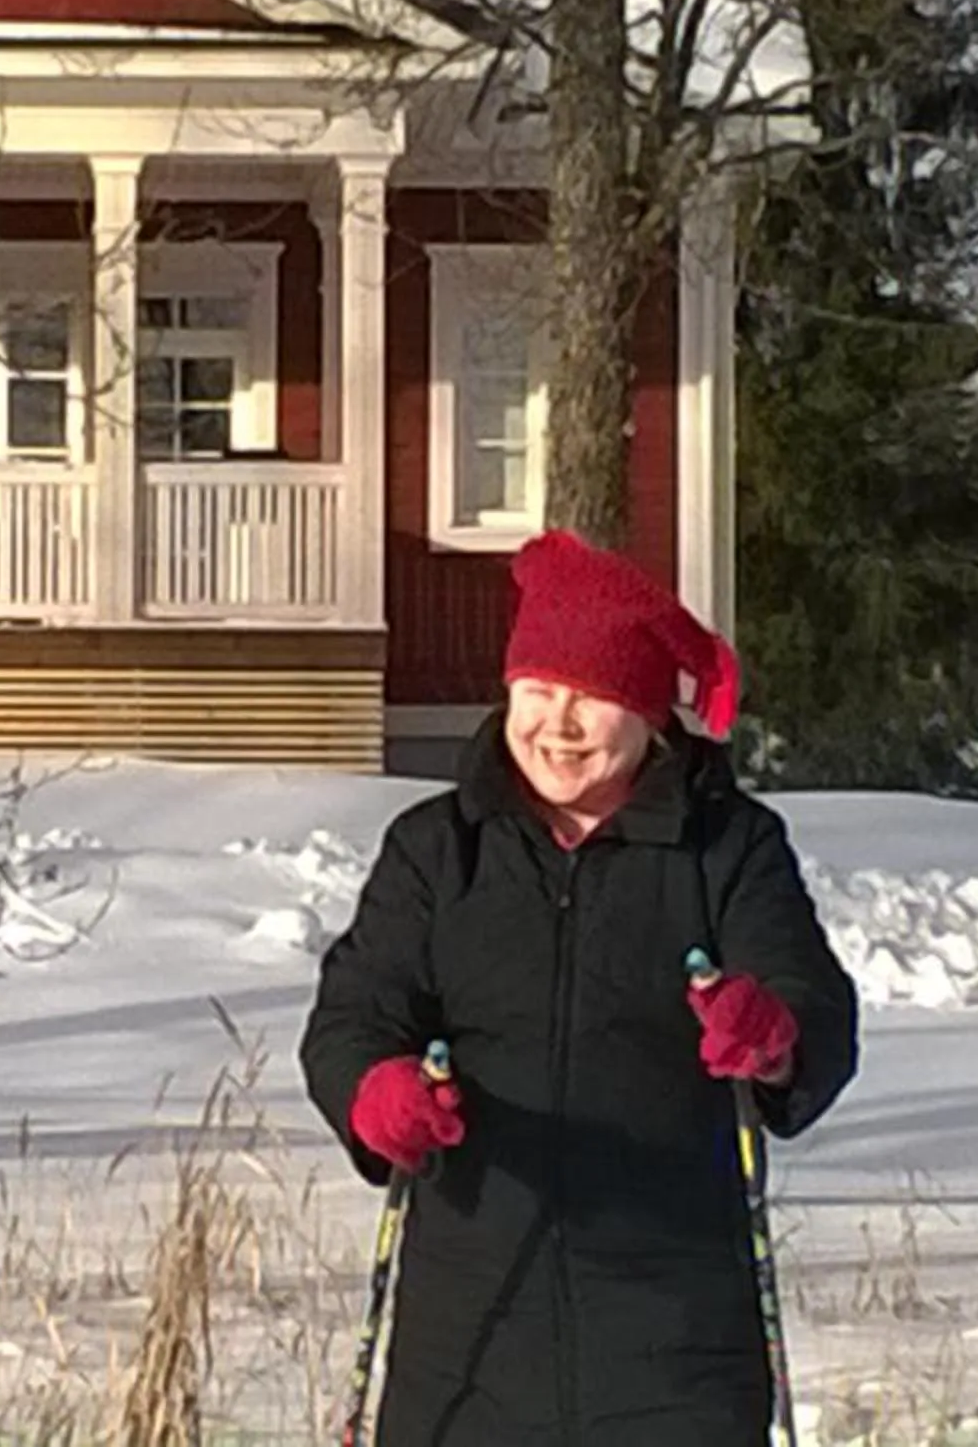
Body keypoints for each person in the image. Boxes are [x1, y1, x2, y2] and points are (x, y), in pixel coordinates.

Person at [299, 529, 860, 1446]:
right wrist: (376, 1096)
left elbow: (813, 1007)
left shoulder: (727, 849)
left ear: (646, 715)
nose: (556, 726)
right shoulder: (439, 852)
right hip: (468, 1339)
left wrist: (773, 1030)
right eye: (538, 691)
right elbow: (356, 1014)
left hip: (676, 1342)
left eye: (590, 698)